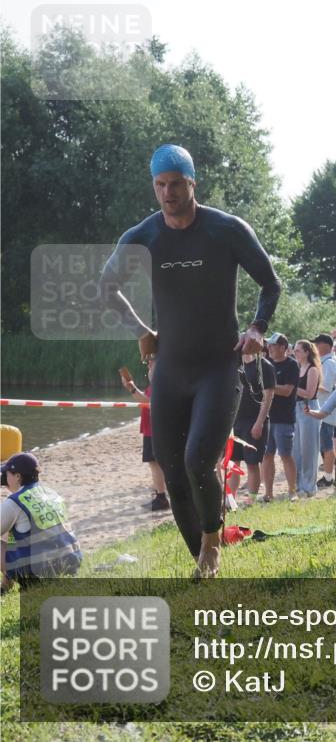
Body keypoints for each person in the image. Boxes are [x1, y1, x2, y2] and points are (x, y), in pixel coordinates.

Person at [99, 144, 280, 579]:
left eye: (176, 184)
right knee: (173, 469)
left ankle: (212, 543)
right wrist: (142, 330)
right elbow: (107, 285)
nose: (168, 193)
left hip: (219, 366)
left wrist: (257, 328)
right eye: (160, 185)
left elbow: (270, 283)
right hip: (171, 370)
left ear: (192, 183)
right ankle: (200, 561)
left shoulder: (225, 229)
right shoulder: (143, 236)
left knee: (198, 460)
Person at [2, 453, 82, 593]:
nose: (4, 478)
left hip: (38, 574)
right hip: (70, 565)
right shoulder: (52, 494)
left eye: (7, 474)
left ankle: (11, 586)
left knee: (8, 535)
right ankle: (4, 587)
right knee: (13, 532)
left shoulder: (15, 501)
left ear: (18, 476)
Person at [120, 358, 169, 511]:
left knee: (155, 463)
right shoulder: (157, 383)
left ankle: (161, 497)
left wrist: (132, 388)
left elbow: (147, 401)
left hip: (155, 430)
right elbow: (145, 400)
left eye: (151, 363)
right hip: (152, 429)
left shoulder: (161, 382)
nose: (148, 365)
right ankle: (159, 494)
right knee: (155, 464)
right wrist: (131, 387)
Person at [229, 352, 274, 502]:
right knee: (233, 462)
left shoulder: (264, 366)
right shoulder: (235, 364)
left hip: (253, 420)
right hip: (235, 421)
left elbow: (268, 397)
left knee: (252, 463)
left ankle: (251, 500)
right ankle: (231, 500)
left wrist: (259, 422)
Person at [261, 334, 299, 502]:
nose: (269, 348)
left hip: (284, 418)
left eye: (273, 345)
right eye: (268, 345)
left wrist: (268, 386)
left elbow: (287, 391)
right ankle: (268, 493)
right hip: (267, 417)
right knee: (266, 456)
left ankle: (292, 492)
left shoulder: (292, 364)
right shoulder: (265, 364)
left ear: (283, 347)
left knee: (285, 455)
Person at [292, 339, 322, 497]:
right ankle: (298, 485)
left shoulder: (312, 369)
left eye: (298, 350)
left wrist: (292, 388)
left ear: (307, 352)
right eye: (294, 349)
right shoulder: (297, 367)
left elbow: (309, 394)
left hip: (308, 408)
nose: (295, 352)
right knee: (296, 450)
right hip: (296, 409)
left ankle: (309, 487)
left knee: (309, 450)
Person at [314, 334, 336, 488]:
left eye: (318, 343)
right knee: (324, 445)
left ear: (327, 346)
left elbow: (327, 387)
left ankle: (329, 478)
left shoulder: (329, 363)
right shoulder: (323, 362)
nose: (316, 346)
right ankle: (328, 475)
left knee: (327, 445)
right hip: (322, 409)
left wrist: (308, 385)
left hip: (327, 410)